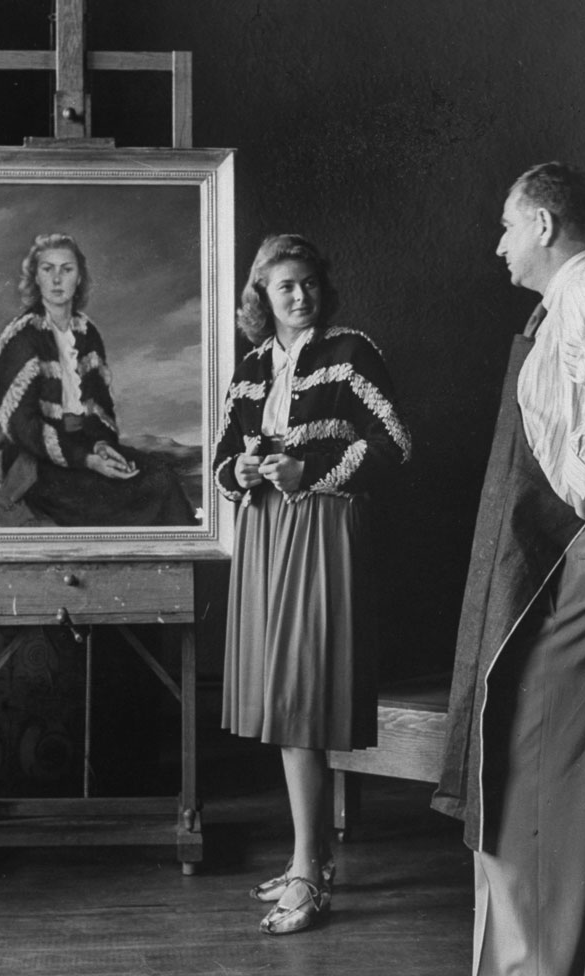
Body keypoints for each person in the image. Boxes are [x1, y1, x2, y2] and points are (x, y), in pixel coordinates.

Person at [431, 163, 585, 975]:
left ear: (541, 224)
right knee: (560, 773)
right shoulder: (563, 301)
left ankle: (537, 967)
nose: (498, 246)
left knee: (536, 766)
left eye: (505, 226)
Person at [213, 234, 411, 935]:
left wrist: (310, 472)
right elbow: (220, 458)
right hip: (264, 535)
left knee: (301, 700)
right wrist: (236, 475)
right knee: (280, 697)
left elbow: (393, 442)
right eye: (283, 287)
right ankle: (312, 859)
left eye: (307, 283)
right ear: (259, 296)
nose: (299, 296)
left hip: (324, 530)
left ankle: (308, 869)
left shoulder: (351, 353)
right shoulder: (248, 368)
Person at [0, 232, 196, 527]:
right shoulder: (20, 337)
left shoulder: (88, 334)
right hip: (38, 464)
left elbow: (102, 408)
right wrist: (86, 459)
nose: (57, 279)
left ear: (79, 278)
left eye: (67, 269)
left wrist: (102, 446)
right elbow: (22, 426)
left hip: (87, 448)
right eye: (47, 269)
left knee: (162, 479)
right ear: (35, 278)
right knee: (113, 500)